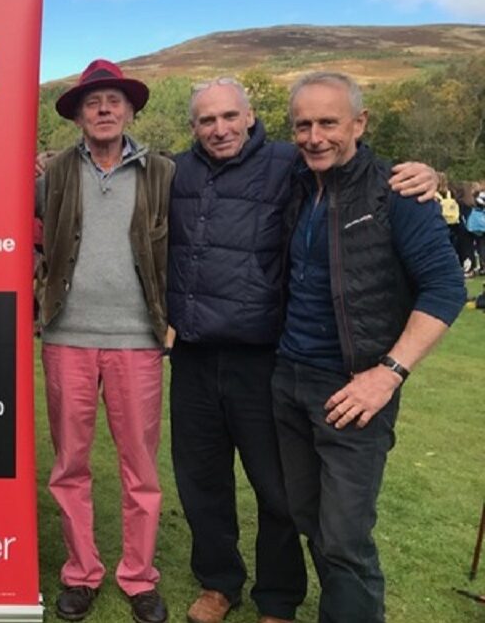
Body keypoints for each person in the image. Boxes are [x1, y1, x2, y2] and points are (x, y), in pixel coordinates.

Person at [167, 77, 439, 623]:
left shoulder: (286, 161)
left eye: (228, 116)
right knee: (202, 482)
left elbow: (356, 166)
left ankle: (277, 597)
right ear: (192, 128)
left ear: (250, 117)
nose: (218, 129)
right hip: (195, 355)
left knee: (278, 491)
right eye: (205, 120)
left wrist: (427, 172)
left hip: (263, 356)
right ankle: (219, 583)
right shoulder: (175, 171)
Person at [272, 72, 465, 623]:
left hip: (357, 389)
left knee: (345, 538)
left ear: (359, 123)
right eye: (303, 125)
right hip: (289, 380)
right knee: (308, 519)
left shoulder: (396, 191)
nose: (314, 136)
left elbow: (447, 288)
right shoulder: (298, 181)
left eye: (328, 123)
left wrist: (388, 374)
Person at [36, 59, 173, 623]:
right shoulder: (55, 174)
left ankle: (139, 577)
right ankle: (81, 572)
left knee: (140, 466)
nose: (104, 110)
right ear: (78, 116)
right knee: (70, 463)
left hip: (138, 338)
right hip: (67, 336)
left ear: (132, 109)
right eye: (93, 103)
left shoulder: (164, 172)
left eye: (114, 101)